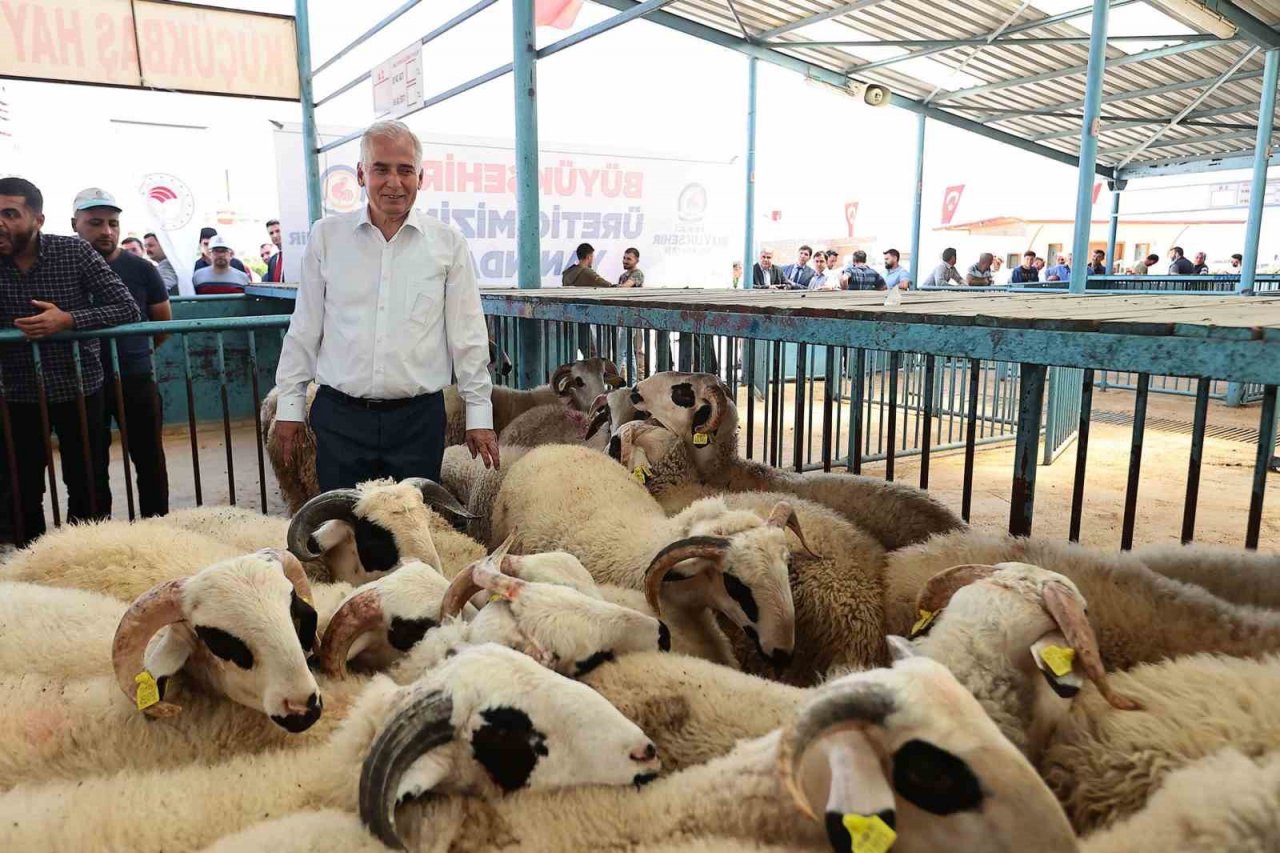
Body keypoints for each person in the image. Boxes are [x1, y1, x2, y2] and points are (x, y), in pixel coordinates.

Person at [273, 119, 498, 492]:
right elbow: (304, 330)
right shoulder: (326, 238)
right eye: (381, 169)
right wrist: (290, 407)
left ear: (420, 177)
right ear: (361, 175)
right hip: (339, 417)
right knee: (342, 531)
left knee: (408, 533)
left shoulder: (447, 244)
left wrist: (479, 415)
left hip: (417, 421)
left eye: (405, 170)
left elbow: (468, 335)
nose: (394, 182)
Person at [0, 177, 141, 545]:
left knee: (88, 483)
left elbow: (127, 307)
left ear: (38, 220)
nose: (0, 223)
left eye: (10, 214)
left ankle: (89, 557)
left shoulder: (74, 253)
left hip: (79, 389)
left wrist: (69, 320)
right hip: (14, 395)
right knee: (18, 488)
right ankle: (28, 567)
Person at [70, 188, 170, 519]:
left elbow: (162, 324)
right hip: (83, 382)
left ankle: (158, 528)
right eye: (95, 223)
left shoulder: (142, 269)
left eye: (113, 223)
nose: (106, 231)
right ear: (75, 224)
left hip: (135, 377)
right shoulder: (63, 268)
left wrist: (136, 353)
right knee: (88, 462)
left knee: (149, 458)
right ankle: (95, 533)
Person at [263, 218, 284, 282]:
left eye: (278, 231)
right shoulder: (272, 261)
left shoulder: (295, 256)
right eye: (271, 233)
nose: (275, 235)